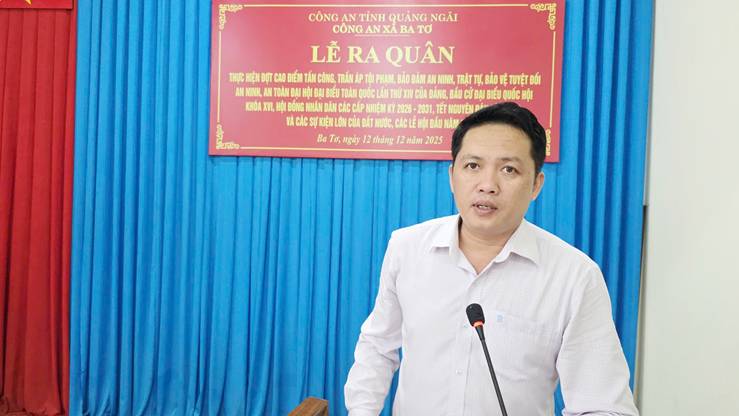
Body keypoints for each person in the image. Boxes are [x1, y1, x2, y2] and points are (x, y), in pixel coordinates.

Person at [344, 102, 638, 415]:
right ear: (452, 176)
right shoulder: (407, 248)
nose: (487, 185)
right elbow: (377, 348)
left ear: (536, 185)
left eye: (508, 169)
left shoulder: (574, 276)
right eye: (473, 166)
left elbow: (602, 404)